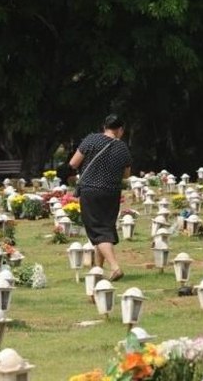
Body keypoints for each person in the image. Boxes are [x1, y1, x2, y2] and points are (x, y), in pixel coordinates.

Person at [68, 114, 131, 281]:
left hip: (91, 191)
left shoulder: (91, 140)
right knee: (104, 228)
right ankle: (97, 270)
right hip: (111, 192)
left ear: (104, 127)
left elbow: (73, 163)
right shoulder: (122, 147)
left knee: (98, 231)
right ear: (120, 130)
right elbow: (126, 174)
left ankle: (115, 266)